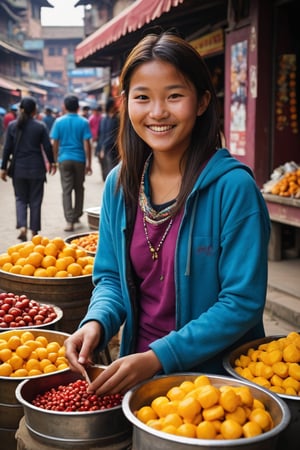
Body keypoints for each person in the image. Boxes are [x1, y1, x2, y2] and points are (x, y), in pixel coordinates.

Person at [65, 30, 270, 396]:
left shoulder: (233, 188)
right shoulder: (119, 185)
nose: (157, 112)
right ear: (126, 103)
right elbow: (111, 277)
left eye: (174, 96)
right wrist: (96, 322)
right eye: (142, 97)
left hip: (216, 386)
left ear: (203, 101)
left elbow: (242, 302)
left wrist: (160, 356)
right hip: (136, 375)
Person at [0, 96, 57, 241]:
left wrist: (3, 168)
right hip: (37, 169)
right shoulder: (40, 126)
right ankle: (34, 231)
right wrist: (52, 162)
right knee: (35, 200)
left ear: (20, 110)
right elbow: (47, 147)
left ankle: (22, 226)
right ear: (35, 110)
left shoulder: (13, 125)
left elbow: (7, 149)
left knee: (20, 199)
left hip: (18, 169)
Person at [50, 94, 92, 232]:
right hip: (79, 159)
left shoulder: (59, 122)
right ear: (78, 107)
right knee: (79, 188)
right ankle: (76, 215)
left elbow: (55, 143)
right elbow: (87, 143)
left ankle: (69, 221)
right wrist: (89, 163)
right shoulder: (84, 122)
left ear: (65, 106)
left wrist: (54, 160)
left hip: (64, 159)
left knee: (66, 191)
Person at [96, 97, 119, 181]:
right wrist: (101, 148)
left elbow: (113, 135)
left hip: (112, 147)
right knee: (107, 167)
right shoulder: (105, 119)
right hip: (107, 146)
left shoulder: (116, 118)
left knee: (111, 168)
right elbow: (102, 134)